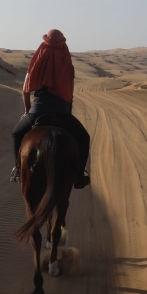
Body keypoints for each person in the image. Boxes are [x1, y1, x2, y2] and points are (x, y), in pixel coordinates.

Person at [10, 29, 91, 189]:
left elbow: (26, 90)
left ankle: (19, 170)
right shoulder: (67, 66)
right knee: (84, 137)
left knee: (17, 134)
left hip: (37, 111)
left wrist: (27, 111)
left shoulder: (36, 63)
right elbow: (69, 93)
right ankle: (79, 176)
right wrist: (66, 111)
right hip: (62, 112)